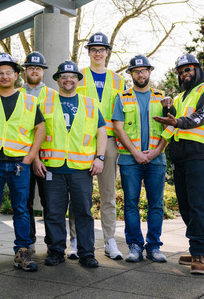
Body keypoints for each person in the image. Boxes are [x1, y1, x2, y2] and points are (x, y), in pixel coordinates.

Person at [0, 53, 45, 273]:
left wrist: (31, 157)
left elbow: (40, 128)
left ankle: (22, 252)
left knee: (22, 209)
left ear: (16, 75)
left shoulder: (30, 100)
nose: (4, 76)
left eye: (8, 72)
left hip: (19, 164)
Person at [153, 53, 204, 275]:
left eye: (188, 69)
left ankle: (199, 254)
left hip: (198, 152)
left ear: (198, 69)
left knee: (196, 205)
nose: (185, 74)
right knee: (185, 206)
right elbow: (173, 124)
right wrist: (167, 111)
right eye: (181, 71)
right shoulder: (180, 97)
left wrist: (177, 120)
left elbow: (201, 116)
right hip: (180, 154)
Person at [34, 60, 107, 268]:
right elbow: (35, 132)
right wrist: (36, 159)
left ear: (78, 80)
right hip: (52, 167)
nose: (68, 79)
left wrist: (99, 157)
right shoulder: (45, 102)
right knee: (54, 213)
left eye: (72, 76)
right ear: (57, 80)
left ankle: (86, 253)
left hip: (82, 169)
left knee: (83, 212)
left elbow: (102, 131)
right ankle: (56, 250)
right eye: (63, 76)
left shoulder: (90, 103)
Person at [113, 55, 175, 263]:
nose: (140, 74)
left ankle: (154, 246)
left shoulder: (163, 99)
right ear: (131, 74)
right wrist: (136, 153)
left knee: (155, 204)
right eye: (136, 71)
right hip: (130, 160)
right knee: (131, 204)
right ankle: (135, 246)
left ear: (150, 72)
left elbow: (170, 127)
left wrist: (157, 151)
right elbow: (118, 128)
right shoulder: (122, 98)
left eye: (144, 70)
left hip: (156, 160)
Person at [76, 32, 125, 260]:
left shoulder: (118, 80)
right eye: (93, 49)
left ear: (107, 52)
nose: (97, 53)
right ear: (88, 52)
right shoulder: (78, 76)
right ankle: (75, 240)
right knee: (77, 195)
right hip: (82, 142)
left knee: (108, 194)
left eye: (101, 49)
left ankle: (110, 240)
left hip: (110, 142)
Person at [20, 52, 54, 252]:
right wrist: (31, 156)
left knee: (49, 202)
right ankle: (28, 240)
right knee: (24, 202)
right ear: (25, 70)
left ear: (43, 71)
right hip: (22, 156)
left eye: (38, 68)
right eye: (31, 67)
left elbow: (52, 128)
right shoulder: (15, 93)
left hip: (47, 157)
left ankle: (52, 242)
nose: (34, 70)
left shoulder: (52, 95)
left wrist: (38, 156)